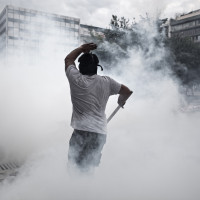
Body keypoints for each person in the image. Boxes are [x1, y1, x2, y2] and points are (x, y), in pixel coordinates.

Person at [65, 43, 132, 172]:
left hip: (81, 132)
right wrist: (120, 100)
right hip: (99, 133)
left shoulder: (76, 79)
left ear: (80, 67)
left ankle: (74, 190)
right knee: (88, 169)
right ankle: (88, 190)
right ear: (96, 67)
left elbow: (68, 59)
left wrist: (81, 48)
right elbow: (127, 91)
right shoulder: (107, 81)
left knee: (73, 167)